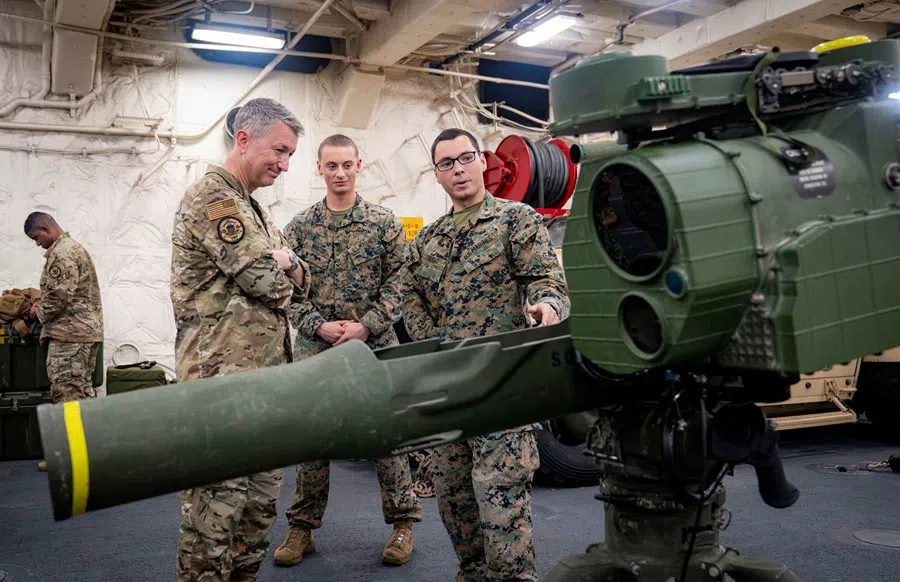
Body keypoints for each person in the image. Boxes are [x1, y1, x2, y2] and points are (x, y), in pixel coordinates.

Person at [403, 128, 570, 581]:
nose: (457, 169)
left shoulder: (516, 221)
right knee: (456, 504)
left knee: (502, 505)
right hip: (450, 391)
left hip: (502, 388)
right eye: (446, 163)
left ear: (483, 162)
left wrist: (547, 307)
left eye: (465, 158)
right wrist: (436, 340)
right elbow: (409, 297)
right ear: (437, 175)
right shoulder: (428, 241)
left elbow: (547, 281)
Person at [169, 97, 310, 582]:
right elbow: (271, 283)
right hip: (219, 389)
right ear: (243, 139)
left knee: (256, 515)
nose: (285, 164)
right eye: (279, 150)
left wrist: (286, 262)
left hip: (262, 388)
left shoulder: (253, 208)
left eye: (290, 154)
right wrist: (285, 263)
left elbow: (300, 280)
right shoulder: (215, 199)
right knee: (215, 518)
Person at [274, 134, 423, 568]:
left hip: (373, 346)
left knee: (387, 438)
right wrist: (317, 325)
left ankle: (402, 525)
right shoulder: (299, 228)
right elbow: (287, 291)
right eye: (331, 166)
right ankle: (302, 528)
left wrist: (367, 325)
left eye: (347, 165)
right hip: (316, 349)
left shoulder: (383, 223)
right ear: (318, 169)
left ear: (360, 165)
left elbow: (402, 284)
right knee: (311, 441)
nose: (340, 173)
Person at [24, 212, 103, 472]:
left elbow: (58, 296)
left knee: (66, 393)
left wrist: (38, 312)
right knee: (81, 393)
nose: (37, 244)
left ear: (46, 228)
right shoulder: (74, 248)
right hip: (83, 334)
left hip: (69, 336)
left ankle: (70, 459)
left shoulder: (62, 253)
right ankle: (88, 455)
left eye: (36, 237)